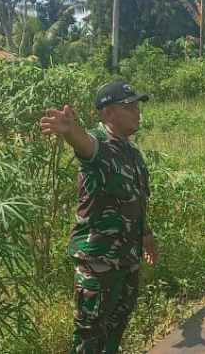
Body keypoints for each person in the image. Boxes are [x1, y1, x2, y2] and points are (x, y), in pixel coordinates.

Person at [40, 81, 159, 354]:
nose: (137, 112)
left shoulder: (130, 151)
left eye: (137, 106)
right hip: (99, 262)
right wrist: (70, 131)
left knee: (116, 326)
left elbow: (136, 199)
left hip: (127, 258)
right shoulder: (99, 145)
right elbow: (86, 148)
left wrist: (146, 233)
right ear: (108, 114)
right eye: (129, 106)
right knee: (90, 332)